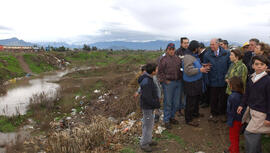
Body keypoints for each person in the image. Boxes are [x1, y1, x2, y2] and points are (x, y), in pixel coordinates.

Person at [237, 55, 270, 153]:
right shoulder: (251, 78)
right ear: (252, 66)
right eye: (257, 64)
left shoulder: (268, 81)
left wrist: (269, 117)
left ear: (266, 67)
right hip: (251, 109)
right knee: (256, 134)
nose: (259, 66)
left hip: (261, 112)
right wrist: (241, 104)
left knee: (249, 133)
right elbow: (247, 93)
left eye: (262, 64)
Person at [182, 40, 210, 127]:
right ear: (195, 48)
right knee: (190, 101)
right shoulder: (187, 57)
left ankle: (195, 113)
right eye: (198, 47)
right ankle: (188, 119)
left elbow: (195, 64)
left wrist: (202, 65)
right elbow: (188, 71)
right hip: (191, 83)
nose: (199, 49)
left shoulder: (193, 55)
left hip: (196, 82)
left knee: (196, 100)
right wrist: (200, 70)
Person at [203, 38, 231, 123]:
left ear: (218, 44)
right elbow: (205, 68)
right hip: (213, 80)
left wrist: (228, 77)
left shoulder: (226, 53)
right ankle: (214, 114)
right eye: (210, 44)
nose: (211, 46)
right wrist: (207, 80)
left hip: (224, 80)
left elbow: (229, 67)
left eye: (213, 44)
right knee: (213, 99)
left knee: (223, 98)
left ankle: (222, 114)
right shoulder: (207, 55)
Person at [158, 43, 181, 129]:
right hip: (168, 84)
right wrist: (165, 81)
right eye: (170, 49)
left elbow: (181, 69)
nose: (171, 51)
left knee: (176, 102)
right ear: (167, 50)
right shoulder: (163, 60)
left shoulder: (178, 59)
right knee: (168, 102)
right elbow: (159, 72)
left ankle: (172, 117)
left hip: (178, 82)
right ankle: (166, 120)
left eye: (173, 49)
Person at [138, 63, 160, 152]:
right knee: (147, 126)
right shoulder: (147, 82)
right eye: (157, 69)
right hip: (148, 107)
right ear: (153, 71)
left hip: (149, 106)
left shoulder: (149, 78)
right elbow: (147, 98)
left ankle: (148, 140)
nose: (158, 71)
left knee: (149, 124)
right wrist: (156, 104)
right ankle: (144, 144)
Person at [224, 77, 245, 153]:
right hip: (239, 120)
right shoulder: (241, 94)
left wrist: (229, 121)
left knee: (233, 138)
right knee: (235, 136)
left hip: (234, 120)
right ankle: (231, 148)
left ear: (231, 85)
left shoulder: (232, 97)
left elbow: (231, 111)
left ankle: (234, 151)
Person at [175, 37, 189, 116]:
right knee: (179, 94)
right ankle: (178, 109)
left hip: (188, 76)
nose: (186, 44)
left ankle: (184, 108)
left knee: (186, 93)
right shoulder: (177, 52)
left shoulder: (189, 51)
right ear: (181, 43)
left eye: (187, 43)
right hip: (180, 77)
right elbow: (176, 65)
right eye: (185, 43)